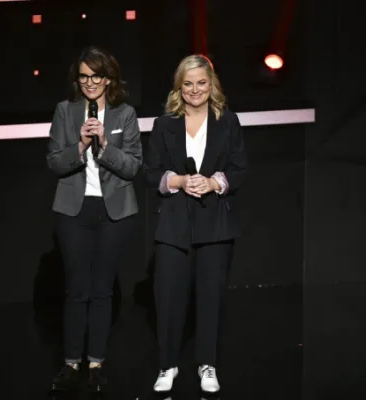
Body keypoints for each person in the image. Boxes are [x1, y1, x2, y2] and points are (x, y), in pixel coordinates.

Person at [144, 54, 247, 393]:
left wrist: (214, 183)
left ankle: (207, 364)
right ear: (179, 87)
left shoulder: (227, 121)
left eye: (201, 82)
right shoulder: (164, 124)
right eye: (187, 84)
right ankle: (167, 365)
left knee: (210, 297)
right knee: (169, 297)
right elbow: (151, 172)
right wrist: (180, 181)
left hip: (215, 222)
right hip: (173, 223)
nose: (194, 90)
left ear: (211, 84)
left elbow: (239, 169)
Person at [45, 45, 143, 393]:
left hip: (113, 212)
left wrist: (103, 145)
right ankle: (72, 362)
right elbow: (54, 162)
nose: (89, 83)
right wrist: (80, 146)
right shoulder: (65, 111)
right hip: (73, 210)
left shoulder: (124, 113)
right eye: (83, 76)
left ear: (108, 78)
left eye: (95, 76)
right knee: (76, 290)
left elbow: (133, 166)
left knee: (102, 290)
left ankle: (97, 363)